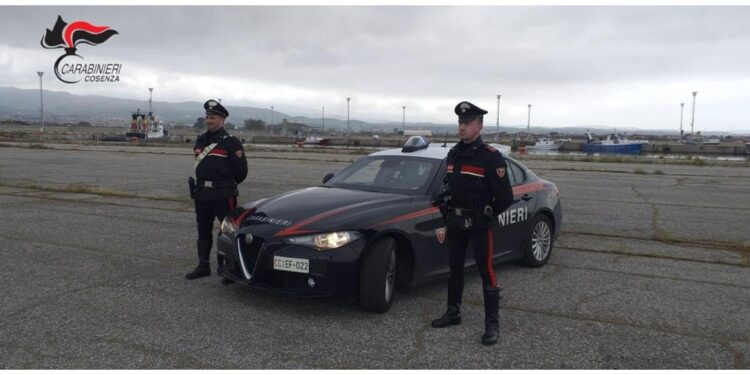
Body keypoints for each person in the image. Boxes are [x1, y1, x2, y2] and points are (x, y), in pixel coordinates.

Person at [431, 101, 514, 346]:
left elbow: (506, 197)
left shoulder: (490, 158)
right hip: (455, 221)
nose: (462, 127)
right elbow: (452, 186)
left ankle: (492, 326)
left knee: (485, 272)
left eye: (467, 123)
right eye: (460, 122)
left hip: (479, 225)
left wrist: (488, 214)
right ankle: (453, 313)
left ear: (479, 126)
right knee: (454, 268)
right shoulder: (454, 154)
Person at [185, 99, 248, 281]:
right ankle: (203, 266)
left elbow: (241, 172)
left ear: (222, 120)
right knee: (203, 230)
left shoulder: (231, 142)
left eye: (212, 117)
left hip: (223, 195)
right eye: (207, 117)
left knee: (228, 231)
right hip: (202, 194)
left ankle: (231, 269)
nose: (209, 121)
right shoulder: (201, 140)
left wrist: (225, 185)